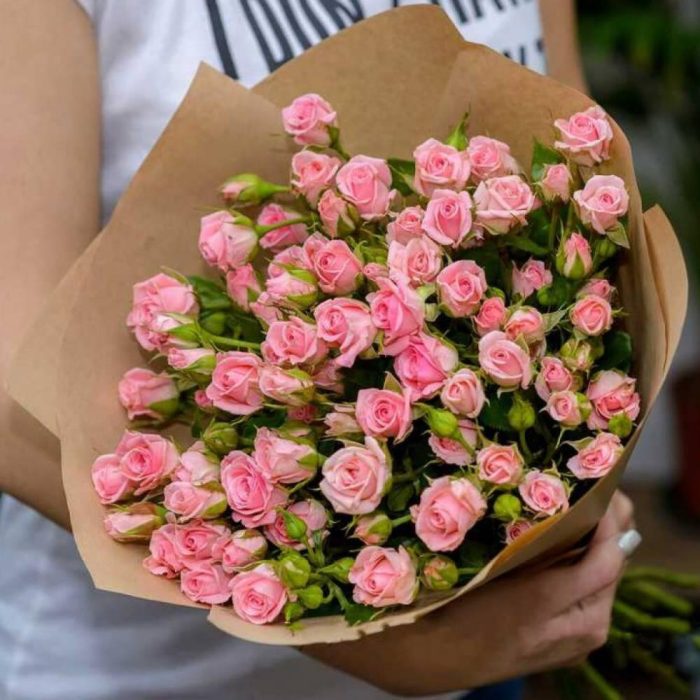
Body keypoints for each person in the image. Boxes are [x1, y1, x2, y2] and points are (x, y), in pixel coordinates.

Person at [0, 1, 635, 698]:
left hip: (494, 622)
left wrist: (579, 475)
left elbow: (585, 185)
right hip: (152, 673)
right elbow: (11, 400)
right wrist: (396, 649)